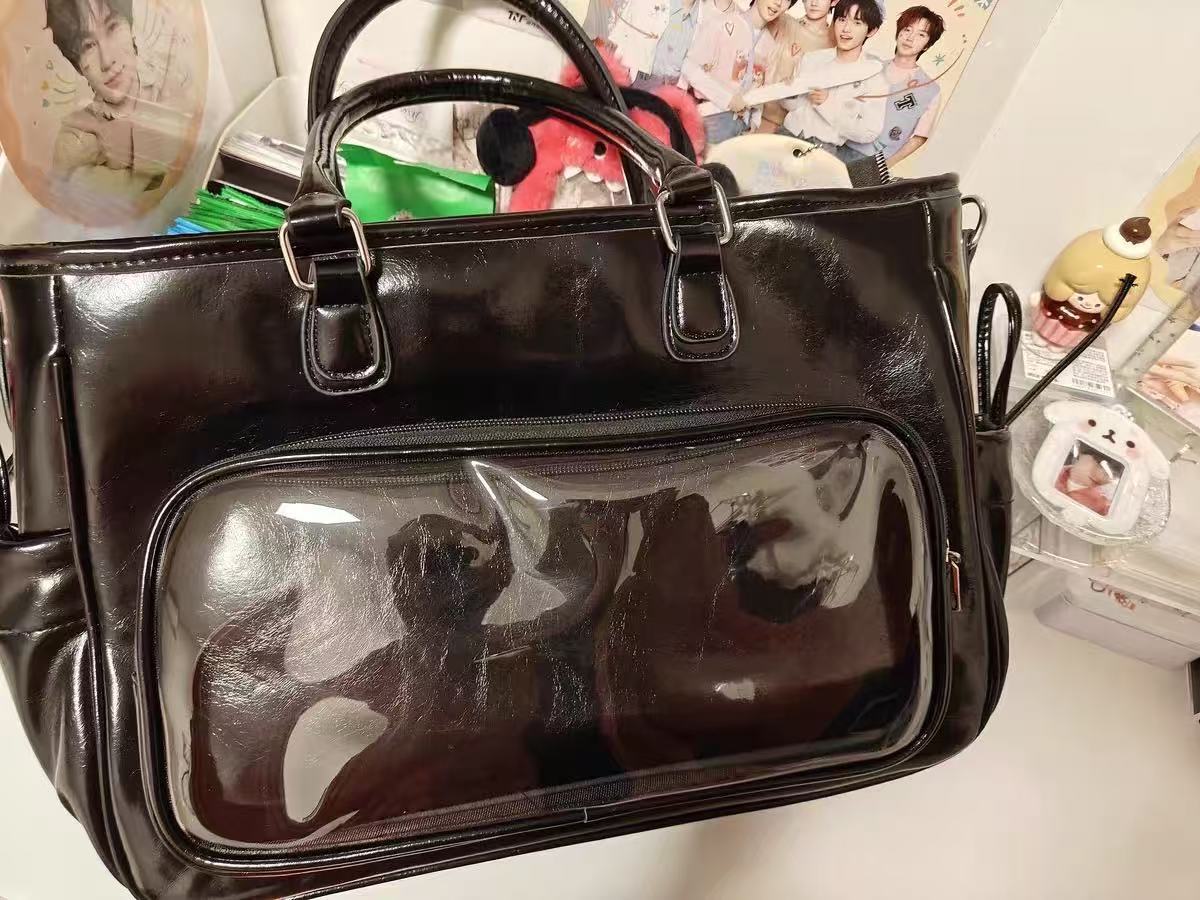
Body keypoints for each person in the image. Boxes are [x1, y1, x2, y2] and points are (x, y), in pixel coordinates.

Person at [46, 0, 191, 199]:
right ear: (78, 66)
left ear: (131, 27)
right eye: (88, 46)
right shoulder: (76, 136)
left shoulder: (172, 89)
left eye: (112, 27)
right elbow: (71, 201)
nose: (107, 60)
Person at [779, 0, 887, 163]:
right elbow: (794, 107)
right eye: (842, 20)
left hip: (822, 151)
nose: (846, 29)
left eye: (857, 23)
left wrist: (827, 103)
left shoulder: (874, 78)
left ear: (871, 30)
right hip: (786, 135)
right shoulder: (812, 59)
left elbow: (868, 132)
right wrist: (788, 93)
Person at [681, 0, 795, 145]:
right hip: (712, 118)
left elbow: (757, 86)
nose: (778, 3)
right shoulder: (723, 23)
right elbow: (689, 67)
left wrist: (754, 120)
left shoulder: (769, 44)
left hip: (742, 126)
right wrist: (727, 99)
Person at [845, 5, 945, 164]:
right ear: (898, 32)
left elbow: (919, 137)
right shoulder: (870, 68)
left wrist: (884, 166)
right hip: (841, 145)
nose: (910, 38)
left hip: (873, 162)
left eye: (921, 34)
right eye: (907, 29)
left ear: (927, 45)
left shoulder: (930, 90)